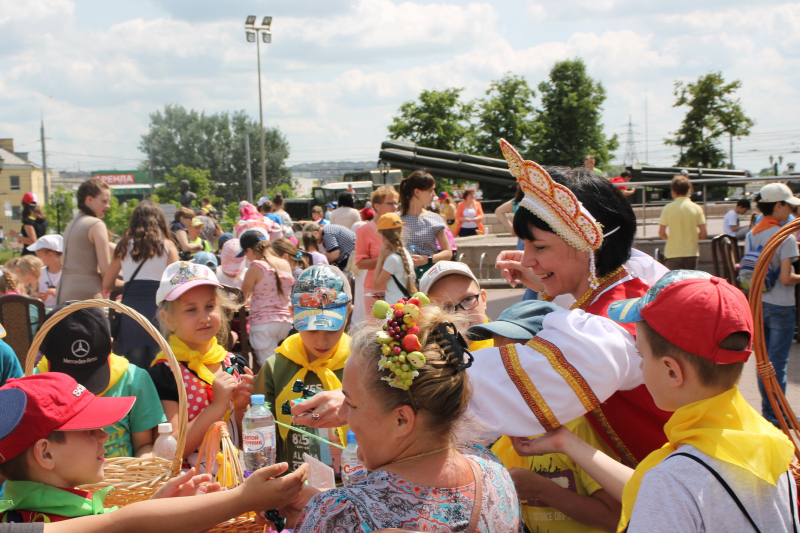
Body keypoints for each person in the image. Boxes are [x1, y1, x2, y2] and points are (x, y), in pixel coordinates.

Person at [514, 271, 799, 532]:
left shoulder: (672, 479)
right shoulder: (768, 444)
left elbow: (663, 491)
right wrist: (567, 442)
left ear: (672, 371)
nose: (639, 367)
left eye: (641, 354)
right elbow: (650, 490)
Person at [285, 302, 523, 533]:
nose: (341, 414)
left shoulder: (344, 515)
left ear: (402, 420)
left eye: (351, 404)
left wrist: (322, 516)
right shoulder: (493, 472)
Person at [470, 301, 623, 533]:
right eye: (497, 356)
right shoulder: (505, 435)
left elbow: (616, 517)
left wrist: (542, 490)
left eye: (514, 357)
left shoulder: (580, 426)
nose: (503, 368)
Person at [148, 262, 254, 465]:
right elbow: (172, 451)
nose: (204, 318)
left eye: (210, 306)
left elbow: (248, 444)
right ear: (168, 319)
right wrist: (217, 407)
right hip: (193, 486)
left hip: (238, 478)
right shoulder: (166, 373)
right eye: (191, 310)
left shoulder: (234, 363)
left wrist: (241, 409)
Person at [253, 265, 353, 474]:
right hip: (294, 488)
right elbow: (261, 435)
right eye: (311, 328)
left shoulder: (363, 365)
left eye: (331, 328)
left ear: (348, 315)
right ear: (292, 314)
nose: (321, 339)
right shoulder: (275, 368)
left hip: (354, 484)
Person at [0, 373, 136, 522]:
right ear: (46, 454)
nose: (104, 436)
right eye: (90, 430)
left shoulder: (17, 516)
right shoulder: (65, 523)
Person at [34, 304, 166, 458]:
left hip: (122, 477)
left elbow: (144, 445)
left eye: (90, 373)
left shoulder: (134, 378)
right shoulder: (35, 383)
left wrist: (141, 468)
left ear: (110, 345)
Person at [745, 183, 800, 426]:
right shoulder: (785, 236)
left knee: (764, 363)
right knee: (778, 364)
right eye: (789, 205)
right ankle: (778, 414)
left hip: (758, 304)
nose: (791, 211)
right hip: (781, 305)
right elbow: (787, 278)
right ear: (779, 206)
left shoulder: (753, 233)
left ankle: (770, 412)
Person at [104, 200, 180, 365]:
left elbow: (108, 283)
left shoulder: (123, 245)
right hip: (159, 310)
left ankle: (138, 392)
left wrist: (128, 285)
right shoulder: (167, 245)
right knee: (159, 362)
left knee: (135, 365)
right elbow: (175, 281)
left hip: (132, 310)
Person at [239, 231, 296, 365]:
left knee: (269, 367)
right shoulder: (284, 263)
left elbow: (241, 297)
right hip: (285, 322)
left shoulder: (256, 267)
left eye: (245, 254)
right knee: (282, 364)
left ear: (249, 250)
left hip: (263, 324)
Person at [57, 180, 112, 304]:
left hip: (64, 290)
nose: (108, 206)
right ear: (89, 200)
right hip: (87, 293)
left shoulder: (72, 223)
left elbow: (104, 247)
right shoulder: (96, 224)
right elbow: (106, 271)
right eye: (104, 201)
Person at [419, 261, 492, 351]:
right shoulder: (425, 361)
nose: (461, 313)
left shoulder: (507, 345)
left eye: (467, 299)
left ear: (483, 299)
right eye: (447, 307)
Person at [398, 170, 452, 279]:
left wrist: (427, 259)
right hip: (402, 276)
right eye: (431, 190)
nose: (434, 195)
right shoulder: (396, 219)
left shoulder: (435, 218)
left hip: (429, 275)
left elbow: (448, 252)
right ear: (417, 192)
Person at [355, 185, 399, 310]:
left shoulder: (398, 226)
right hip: (375, 290)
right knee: (375, 329)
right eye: (390, 203)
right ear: (377, 206)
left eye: (396, 204)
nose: (395, 207)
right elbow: (360, 264)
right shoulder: (364, 230)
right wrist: (383, 257)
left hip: (398, 287)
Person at [658, 175, 707, 270]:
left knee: (675, 283)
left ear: (673, 191)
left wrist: (672, 239)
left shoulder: (668, 208)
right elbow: (704, 234)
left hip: (673, 253)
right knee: (690, 282)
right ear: (688, 190)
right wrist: (692, 237)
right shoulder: (697, 208)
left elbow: (661, 233)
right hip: (691, 252)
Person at [373, 213, 417, 305]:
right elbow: (412, 278)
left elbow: (376, 285)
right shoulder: (405, 252)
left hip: (394, 308)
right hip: (406, 304)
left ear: (382, 236)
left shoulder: (392, 260)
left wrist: (380, 258)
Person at [28, 235, 62, 308]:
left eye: (39, 255)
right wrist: (37, 296)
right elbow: (32, 294)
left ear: (50, 254)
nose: (37, 258)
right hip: (43, 312)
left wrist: (58, 293)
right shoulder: (40, 272)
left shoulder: (68, 273)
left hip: (63, 313)